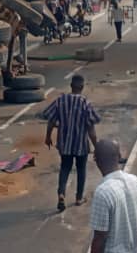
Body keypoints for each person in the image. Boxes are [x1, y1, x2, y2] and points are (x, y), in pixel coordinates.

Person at [43, 75, 101, 211]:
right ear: (82, 87)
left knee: (65, 168)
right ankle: (79, 197)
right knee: (81, 170)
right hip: (81, 144)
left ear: (71, 86)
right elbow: (91, 129)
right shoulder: (85, 103)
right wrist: (96, 146)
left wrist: (48, 136)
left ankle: (61, 194)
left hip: (65, 143)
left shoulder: (60, 100)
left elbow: (50, 120)